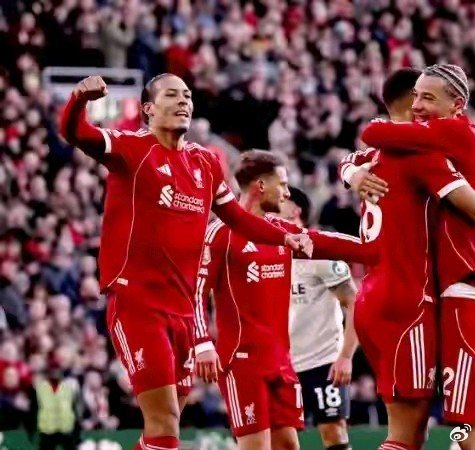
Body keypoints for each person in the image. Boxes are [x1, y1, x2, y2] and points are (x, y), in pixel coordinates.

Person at [59, 73, 311, 450]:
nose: (184, 101)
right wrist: (80, 97)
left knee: (164, 428)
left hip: (182, 312)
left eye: (188, 95)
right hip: (138, 304)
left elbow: (237, 218)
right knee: (165, 423)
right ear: (148, 109)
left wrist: (284, 236)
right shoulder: (131, 148)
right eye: (172, 95)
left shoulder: (205, 162)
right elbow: (75, 132)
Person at [338, 68, 475, 450]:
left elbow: (362, 145)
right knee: (436, 432)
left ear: (455, 105)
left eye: (427, 97)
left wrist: (350, 173)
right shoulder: (422, 157)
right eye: (417, 96)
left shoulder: (374, 159)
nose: (420, 105)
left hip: (412, 294)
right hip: (416, 300)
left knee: (451, 429)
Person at [193, 150, 377, 450]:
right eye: (282, 184)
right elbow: (196, 293)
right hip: (243, 362)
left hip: (281, 361)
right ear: (260, 186)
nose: (288, 192)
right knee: (256, 447)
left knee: (289, 445)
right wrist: (202, 343)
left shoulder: (279, 231)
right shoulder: (220, 234)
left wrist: (377, 250)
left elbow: (324, 241)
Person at [283, 186, 358, 450]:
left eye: (281, 200)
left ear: (295, 211)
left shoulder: (321, 252)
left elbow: (354, 304)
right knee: (282, 438)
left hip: (322, 363)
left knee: (334, 433)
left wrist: (345, 356)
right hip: (281, 364)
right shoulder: (266, 253)